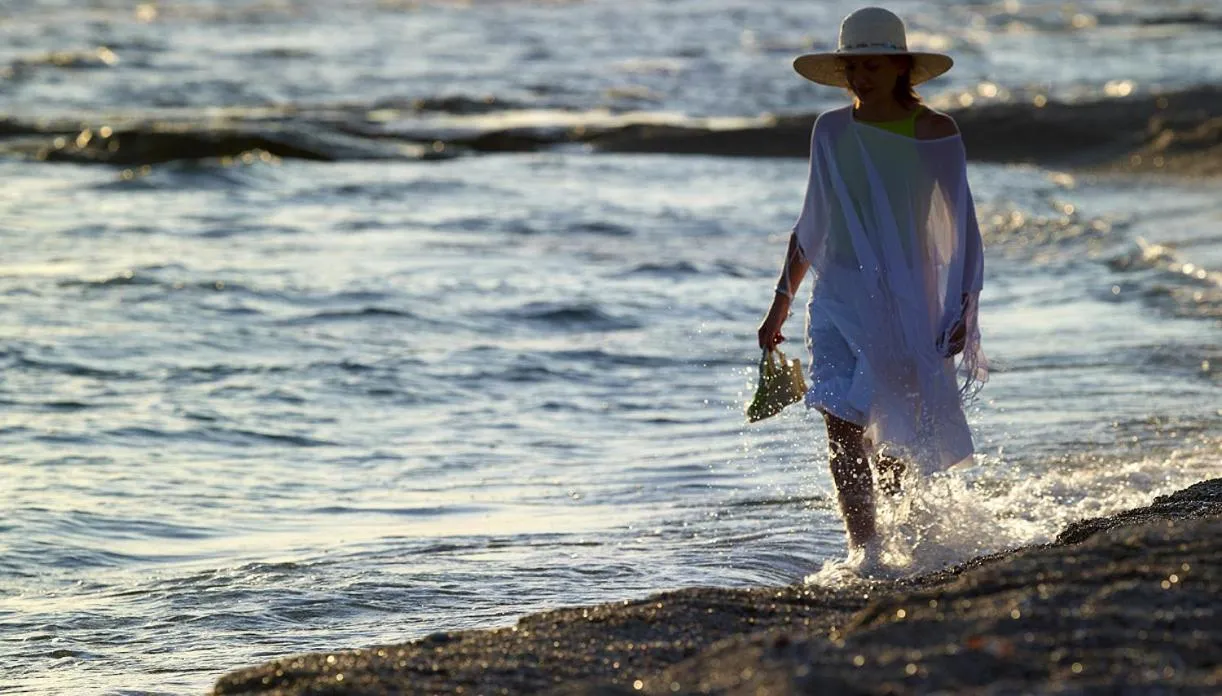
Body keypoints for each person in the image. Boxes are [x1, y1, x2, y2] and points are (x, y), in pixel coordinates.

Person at [756, 7, 987, 563]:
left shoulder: (936, 132)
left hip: (906, 300)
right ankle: (866, 552)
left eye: (873, 66)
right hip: (836, 297)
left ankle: (905, 539)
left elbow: (963, 226)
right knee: (840, 424)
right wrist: (779, 305)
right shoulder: (830, 130)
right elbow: (812, 222)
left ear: (900, 67)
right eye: (853, 67)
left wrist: (963, 308)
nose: (861, 77)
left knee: (892, 431)